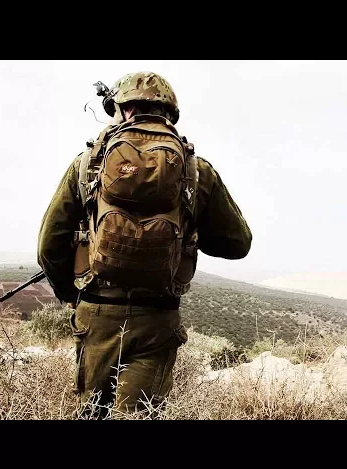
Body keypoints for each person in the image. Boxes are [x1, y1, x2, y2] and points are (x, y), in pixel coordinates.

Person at [37, 71, 252, 417]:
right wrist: (188, 229)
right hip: (157, 318)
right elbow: (238, 244)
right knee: (139, 415)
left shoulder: (86, 164)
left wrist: (74, 297)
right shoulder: (196, 172)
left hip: (97, 314)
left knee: (92, 414)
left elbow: (48, 246)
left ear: (124, 110)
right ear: (168, 113)